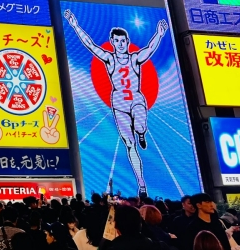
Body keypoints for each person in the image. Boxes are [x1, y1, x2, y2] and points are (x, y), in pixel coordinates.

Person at [64, 10, 169, 197]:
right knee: (130, 144)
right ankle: (142, 184)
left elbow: (150, 49)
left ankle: (142, 132)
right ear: (112, 42)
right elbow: (90, 45)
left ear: (127, 42)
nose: (120, 44)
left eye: (123, 41)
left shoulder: (134, 58)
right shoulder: (110, 59)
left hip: (136, 99)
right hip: (119, 103)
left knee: (140, 125)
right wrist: (75, 25)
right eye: (117, 41)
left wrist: (159, 34)